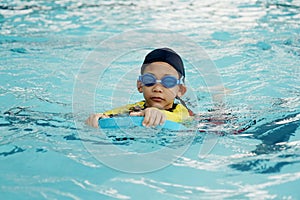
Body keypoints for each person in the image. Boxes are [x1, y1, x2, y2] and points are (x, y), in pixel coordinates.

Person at [86, 47, 193, 128]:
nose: (157, 88)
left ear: (180, 90)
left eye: (168, 81)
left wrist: (159, 114)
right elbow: (113, 114)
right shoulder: (137, 107)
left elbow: (179, 118)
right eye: (149, 80)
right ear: (140, 85)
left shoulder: (182, 112)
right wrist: (100, 117)